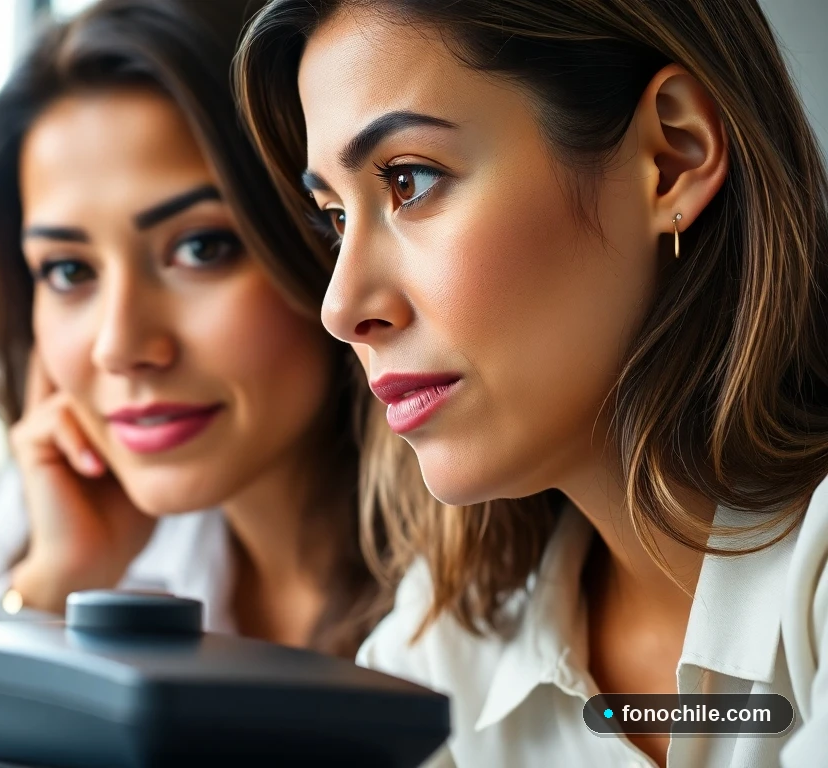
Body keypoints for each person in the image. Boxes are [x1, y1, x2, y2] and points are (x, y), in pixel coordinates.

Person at [235, 0, 828, 764]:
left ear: (671, 158)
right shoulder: (446, 653)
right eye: (337, 219)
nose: (341, 308)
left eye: (409, 181)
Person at [0, 0, 391, 658]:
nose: (120, 346)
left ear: (324, 239)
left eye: (201, 248)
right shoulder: (66, 497)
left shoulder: (473, 578)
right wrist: (55, 582)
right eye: (69, 270)